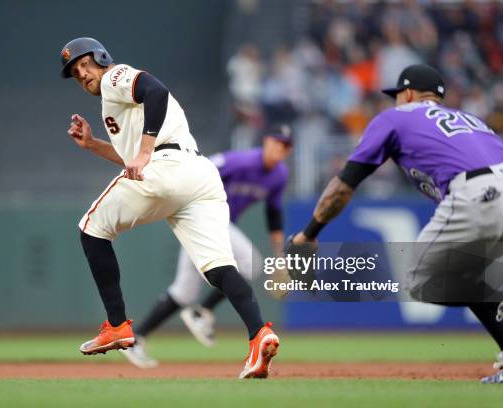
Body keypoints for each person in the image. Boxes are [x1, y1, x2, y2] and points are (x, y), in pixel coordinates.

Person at [59, 37, 279, 378]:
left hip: (165, 165)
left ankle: (117, 325)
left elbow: (156, 91)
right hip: (199, 176)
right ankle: (260, 334)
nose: (82, 73)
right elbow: (128, 158)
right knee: (220, 268)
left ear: (102, 58)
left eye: (85, 64)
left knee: (92, 230)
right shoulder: (112, 104)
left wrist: (146, 152)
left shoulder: (114, 77)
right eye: (75, 72)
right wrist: (92, 145)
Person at [287, 64, 503, 384]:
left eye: (398, 95)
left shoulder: (395, 118)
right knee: (464, 272)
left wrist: (309, 234)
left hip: (476, 192)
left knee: (419, 278)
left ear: (409, 93)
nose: (396, 101)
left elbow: (343, 187)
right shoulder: (473, 122)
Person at [121, 126, 293, 368]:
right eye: (276, 141)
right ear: (266, 141)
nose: (279, 148)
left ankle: (136, 339)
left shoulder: (278, 176)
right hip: (200, 215)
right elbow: (201, 167)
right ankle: (202, 312)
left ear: (289, 150)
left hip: (214, 226)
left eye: (285, 145)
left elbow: (273, 215)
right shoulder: (241, 161)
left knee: (184, 292)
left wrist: (279, 255)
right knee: (251, 263)